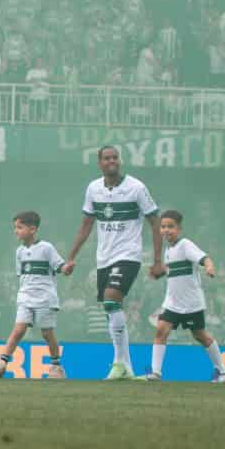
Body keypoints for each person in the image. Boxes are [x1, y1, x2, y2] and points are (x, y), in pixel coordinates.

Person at [62, 145, 164, 382]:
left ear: (120, 161)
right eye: (107, 158)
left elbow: (155, 222)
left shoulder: (136, 188)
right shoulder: (93, 189)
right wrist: (71, 257)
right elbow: (86, 225)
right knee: (111, 308)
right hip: (104, 258)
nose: (112, 162)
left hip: (128, 255)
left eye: (115, 158)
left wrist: (158, 260)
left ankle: (120, 363)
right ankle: (125, 366)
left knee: (110, 299)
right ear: (99, 163)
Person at [144, 209, 225, 383]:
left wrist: (209, 267)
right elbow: (174, 271)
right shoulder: (168, 250)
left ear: (179, 228)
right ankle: (156, 373)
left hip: (191, 303)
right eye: (163, 227)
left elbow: (204, 258)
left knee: (200, 335)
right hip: (173, 302)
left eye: (170, 227)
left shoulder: (185, 245)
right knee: (161, 330)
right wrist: (159, 273)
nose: (166, 230)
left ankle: (223, 371)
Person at [0, 211, 66, 379]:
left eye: (19, 227)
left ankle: (56, 366)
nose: (15, 231)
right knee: (18, 330)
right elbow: (22, 276)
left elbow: (60, 266)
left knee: (47, 333)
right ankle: (1, 363)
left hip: (45, 297)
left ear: (32, 229)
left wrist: (66, 268)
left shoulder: (46, 247)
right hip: (25, 297)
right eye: (15, 227)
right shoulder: (19, 252)